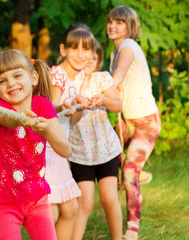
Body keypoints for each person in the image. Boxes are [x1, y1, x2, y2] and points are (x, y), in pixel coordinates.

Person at [0, 49, 72, 240]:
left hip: (38, 198)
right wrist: (19, 118)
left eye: (17, 75)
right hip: (4, 199)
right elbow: (7, 119)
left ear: (33, 78)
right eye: (3, 81)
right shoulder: (0, 108)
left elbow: (65, 150)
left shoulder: (43, 105)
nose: (11, 83)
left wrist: (48, 131)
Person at [106, 6, 162, 240]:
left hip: (146, 122)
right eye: (110, 22)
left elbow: (117, 77)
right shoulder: (113, 53)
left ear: (130, 27)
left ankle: (132, 229)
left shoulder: (128, 47)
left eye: (119, 22)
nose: (112, 26)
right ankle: (138, 172)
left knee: (128, 172)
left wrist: (99, 87)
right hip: (126, 121)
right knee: (107, 158)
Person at [68, 39, 123, 240]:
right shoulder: (71, 82)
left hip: (105, 149)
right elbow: (72, 120)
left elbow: (118, 106)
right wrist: (80, 106)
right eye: (86, 54)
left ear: (98, 58)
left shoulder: (102, 78)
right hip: (81, 152)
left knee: (109, 198)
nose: (90, 59)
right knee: (85, 202)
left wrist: (105, 100)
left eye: (94, 55)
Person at [44, 24, 92, 240]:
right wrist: (68, 104)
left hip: (61, 146)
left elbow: (73, 118)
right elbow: (50, 108)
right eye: (74, 49)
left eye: (86, 49)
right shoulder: (58, 73)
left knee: (70, 208)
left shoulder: (81, 77)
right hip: (47, 145)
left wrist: (79, 106)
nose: (81, 55)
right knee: (51, 211)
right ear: (63, 50)